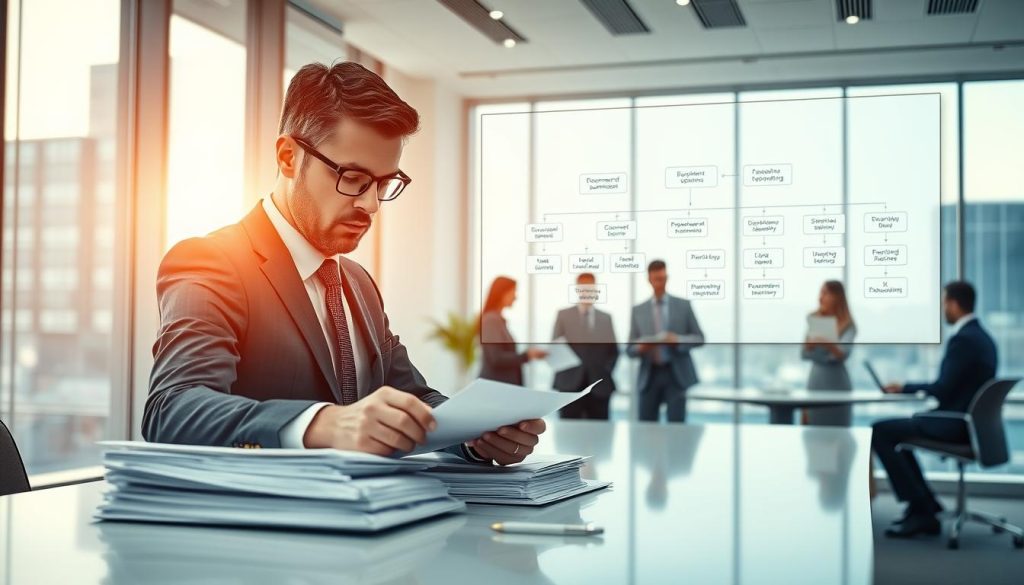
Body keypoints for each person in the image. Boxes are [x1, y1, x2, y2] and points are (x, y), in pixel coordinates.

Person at [143, 62, 544, 465]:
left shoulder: (357, 282)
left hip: (367, 516)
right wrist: (323, 425)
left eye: (385, 184)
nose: (370, 204)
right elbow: (173, 410)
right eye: (353, 178)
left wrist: (473, 434)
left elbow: (410, 396)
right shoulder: (212, 261)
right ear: (288, 157)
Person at [873, 281, 997, 538]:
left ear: (953, 304)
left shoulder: (963, 340)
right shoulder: (983, 338)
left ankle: (922, 511)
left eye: (944, 304)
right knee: (897, 436)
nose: (943, 311)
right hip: (970, 424)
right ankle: (925, 505)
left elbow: (943, 388)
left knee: (879, 431)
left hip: (954, 424)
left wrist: (905, 387)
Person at [627, 260, 704, 423]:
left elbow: (699, 338)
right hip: (649, 375)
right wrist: (640, 348)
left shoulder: (683, 305)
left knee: (677, 425)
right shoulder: (638, 310)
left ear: (667, 277)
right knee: (646, 427)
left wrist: (678, 340)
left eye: (663, 278)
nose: (660, 283)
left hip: (676, 374)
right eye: (656, 279)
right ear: (649, 280)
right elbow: (629, 349)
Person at [551, 273, 619, 419]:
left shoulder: (606, 318)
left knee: (600, 436)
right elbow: (556, 347)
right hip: (569, 385)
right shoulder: (563, 315)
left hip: (600, 386)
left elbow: (613, 351)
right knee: (568, 435)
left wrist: (604, 371)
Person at [801, 280, 857, 426]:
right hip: (815, 383)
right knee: (813, 433)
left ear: (836, 297)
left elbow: (842, 354)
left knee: (838, 433)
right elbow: (804, 353)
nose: (821, 297)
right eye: (821, 293)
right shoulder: (815, 320)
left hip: (837, 384)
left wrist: (826, 344)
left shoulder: (848, 325)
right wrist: (820, 349)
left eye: (825, 293)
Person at [478, 276, 547, 385]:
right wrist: (527, 355)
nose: (515, 297)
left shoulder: (499, 320)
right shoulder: (491, 320)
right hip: (495, 387)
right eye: (513, 292)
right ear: (502, 293)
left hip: (502, 385)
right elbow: (496, 358)